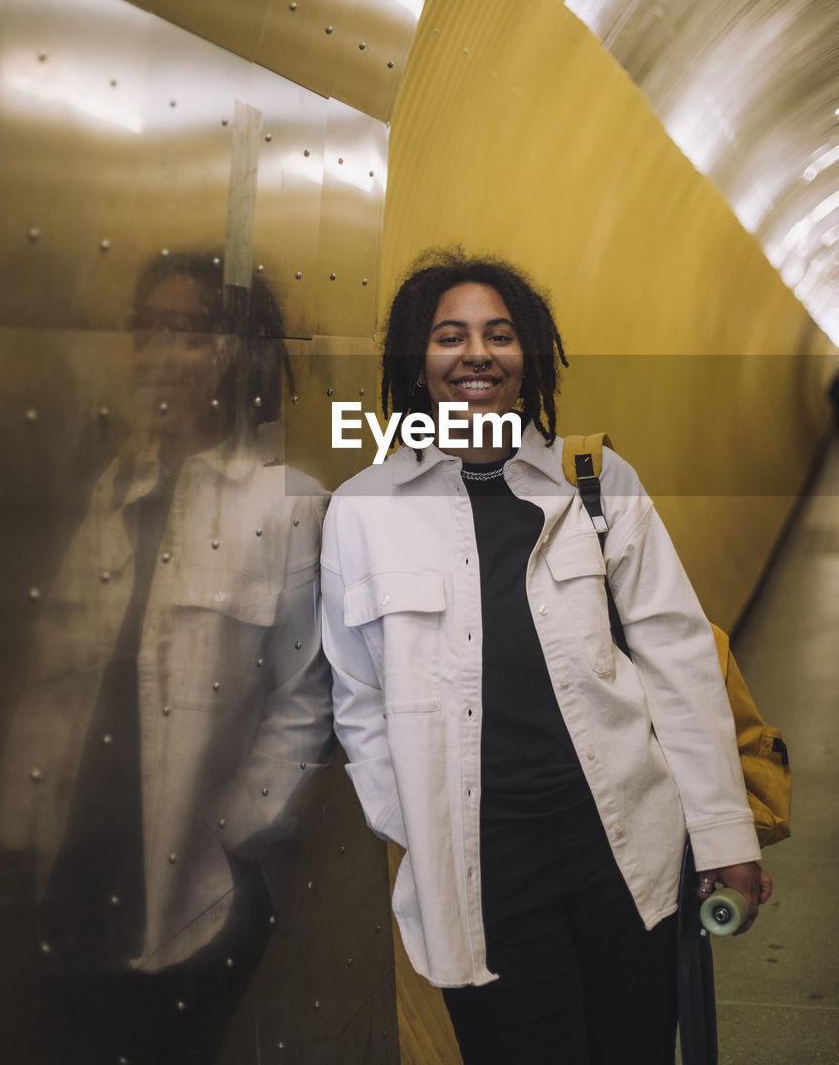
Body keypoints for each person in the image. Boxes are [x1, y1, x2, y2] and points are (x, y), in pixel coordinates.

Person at [320, 249, 772, 1065]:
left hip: (621, 841)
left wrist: (722, 837)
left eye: (498, 334)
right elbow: (356, 696)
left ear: (527, 354)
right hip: (478, 866)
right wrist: (415, 821)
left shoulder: (593, 483)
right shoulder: (362, 511)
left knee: (633, 1048)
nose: (475, 354)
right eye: (448, 336)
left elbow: (678, 665)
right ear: (415, 365)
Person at [0, 251, 335, 1063]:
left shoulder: (283, 505)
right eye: (143, 333)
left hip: (194, 890)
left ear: (237, 354)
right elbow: (57, 678)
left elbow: (304, 698)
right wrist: (13, 832)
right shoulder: (111, 491)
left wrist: (233, 829)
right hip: (71, 865)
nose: (154, 354)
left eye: (182, 334)